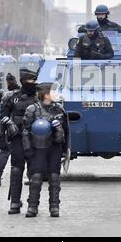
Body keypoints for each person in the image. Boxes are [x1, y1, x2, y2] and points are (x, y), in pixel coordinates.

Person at [22, 83, 69, 218]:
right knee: (36, 177)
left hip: (54, 147)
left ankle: (54, 207)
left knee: (54, 177)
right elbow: (25, 131)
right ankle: (32, 206)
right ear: (46, 95)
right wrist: (28, 150)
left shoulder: (59, 109)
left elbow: (66, 131)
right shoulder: (32, 109)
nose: (56, 94)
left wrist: (65, 151)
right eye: (53, 92)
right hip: (37, 149)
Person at [0, 68, 39, 215]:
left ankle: (33, 204)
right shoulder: (12, 97)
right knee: (16, 169)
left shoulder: (40, 96)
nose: (32, 84)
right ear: (23, 81)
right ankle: (15, 203)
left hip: (36, 138)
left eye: (34, 81)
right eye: (30, 81)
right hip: (17, 137)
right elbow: (2, 115)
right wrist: (9, 124)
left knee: (35, 171)